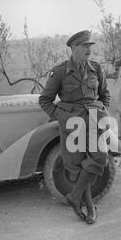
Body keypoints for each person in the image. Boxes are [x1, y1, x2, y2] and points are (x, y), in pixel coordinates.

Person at [38, 30, 110, 225]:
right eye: (85, 46)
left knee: (100, 159)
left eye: (90, 46)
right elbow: (44, 100)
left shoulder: (96, 68)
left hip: (94, 121)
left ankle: (75, 195)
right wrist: (60, 117)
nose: (89, 49)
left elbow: (105, 95)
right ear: (73, 48)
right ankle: (89, 207)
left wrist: (101, 110)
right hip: (72, 124)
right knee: (77, 166)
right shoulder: (60, 71)